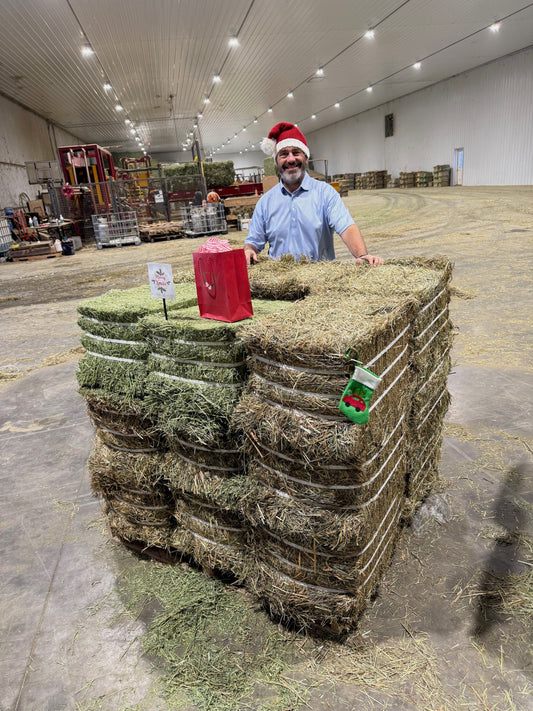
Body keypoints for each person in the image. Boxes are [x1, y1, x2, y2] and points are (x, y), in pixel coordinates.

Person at [244, 122, 384, 266]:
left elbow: (346, 227)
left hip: (319, 281)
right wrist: (249, 250)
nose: (291, 159)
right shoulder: (266, 201)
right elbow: (253, 241)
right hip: (280, 282)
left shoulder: (325, 193)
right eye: (284, 154)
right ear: (276, 162)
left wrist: (362, 255)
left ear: (306, 158)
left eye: (296, 153)